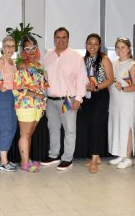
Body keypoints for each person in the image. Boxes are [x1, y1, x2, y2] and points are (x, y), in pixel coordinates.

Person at [41, 27, 87, 170]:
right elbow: (43, 77)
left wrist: (78, 99)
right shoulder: (47, 55)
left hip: (68, 99)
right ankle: (53, 155)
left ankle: (67, 159)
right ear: (54, 39)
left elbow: (82, 79)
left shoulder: (76, 56)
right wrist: (43, 96)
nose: (61, 40)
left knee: (70, 130)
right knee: (53, 128)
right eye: (58, 37)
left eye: (64, 37)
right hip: (50, 99)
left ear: (68, 39)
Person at [81, 33, 113, 173]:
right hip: (87, 97)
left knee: (96, 125)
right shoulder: (84, 59)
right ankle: (96, 156)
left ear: (99, 45)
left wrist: (95, 87)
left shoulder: (104, 59)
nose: (92, 46)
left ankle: (94, 159)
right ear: (86, 44)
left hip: (101, 95)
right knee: (89, 125)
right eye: (89, 43)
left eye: (95, 44)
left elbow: (110, 79)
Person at [13, 35, 46, 172]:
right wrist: (35, 95)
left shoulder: (39, 65)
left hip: (38, 105)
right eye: (27, 48)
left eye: (33, 47)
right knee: (25, 134)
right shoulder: (21, 65)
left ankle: (25, 160)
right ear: (23, 50)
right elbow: (17, 88)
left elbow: (42, 85)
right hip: (26, 104)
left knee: (28, 135)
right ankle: (26, 164)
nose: (31, 51)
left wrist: (42, 101)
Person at [108, 37, 135, 169]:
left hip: (127, 101)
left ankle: (128, 157)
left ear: (128, 48)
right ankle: (121, 154)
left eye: (122, 47)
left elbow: (134, 86)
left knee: (127, 127)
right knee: (117, 126)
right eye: (117, 47)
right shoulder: (114, 63)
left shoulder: (132, 65)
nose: (120, 50)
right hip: (115, 101)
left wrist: (123, 88)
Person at [0, 36, 17, 172]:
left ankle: (5, 158)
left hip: (12, 97)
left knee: (12, 126)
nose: (10, 49)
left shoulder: (12, 62)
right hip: (3, 97)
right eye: (7, 46)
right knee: (6, 128)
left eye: (12, 46)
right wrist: (2, 88)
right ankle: (3, 162)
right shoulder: (1, 61)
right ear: (2, 47)